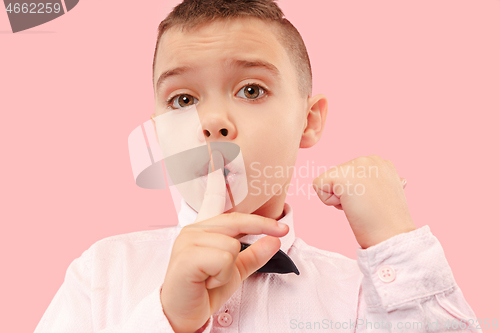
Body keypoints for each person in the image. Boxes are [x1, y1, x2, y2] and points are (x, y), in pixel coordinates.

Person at [34, 0, 481, 332]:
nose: (211, 122)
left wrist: (395, 243)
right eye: (183, 100)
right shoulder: (102, 274)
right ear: (158, 133)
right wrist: (167, 320)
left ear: (309, 120)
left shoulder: (365, 293)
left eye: (250, 90)